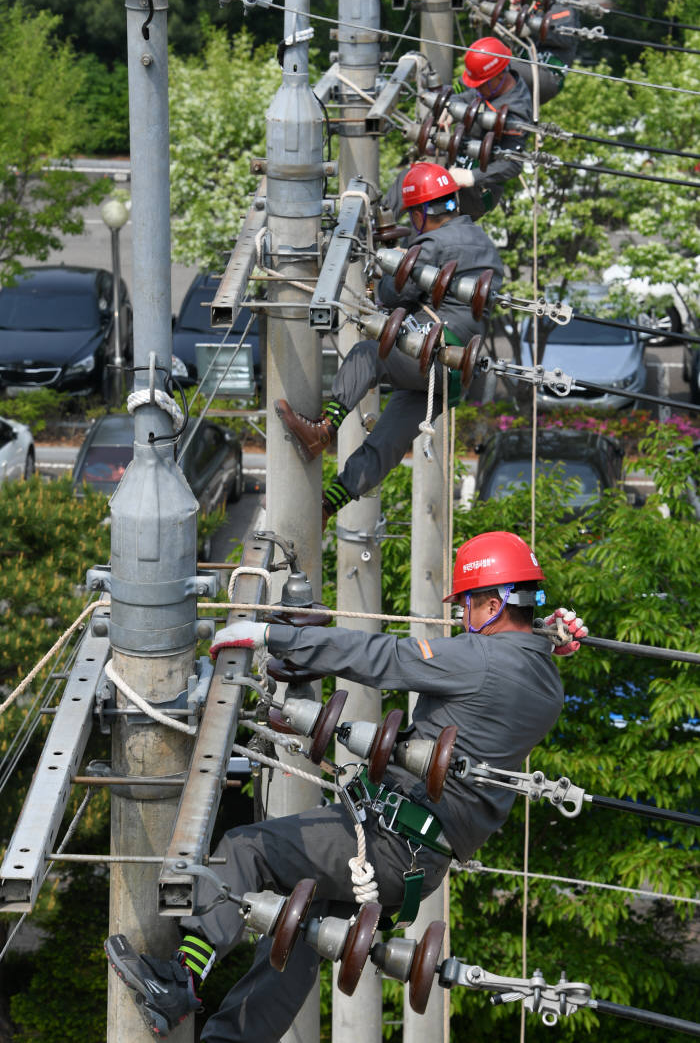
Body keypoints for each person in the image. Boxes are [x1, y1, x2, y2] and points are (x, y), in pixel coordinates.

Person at [104, 530, 587, 1040]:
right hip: (418, 859)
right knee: (299, 926)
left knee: (246, 851)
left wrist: (271, 637)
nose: (461, 620)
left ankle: (179, 980)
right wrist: (547, 636)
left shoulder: (482, 658)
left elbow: (382, 657)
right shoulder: (546, 682)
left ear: (493, 604)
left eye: (468, 605)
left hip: (389, 841)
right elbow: (507, 674)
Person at [274, 162, 504, 528]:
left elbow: (394, 293)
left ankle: (325, 430)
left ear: (418, 213)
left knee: (370, 353)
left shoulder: (432, 244)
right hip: (455, 375)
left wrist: (386, 267)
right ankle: (328, 505)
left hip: (433, 350)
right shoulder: (482, 241)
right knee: (390, 438)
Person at [445, 35, 534, 220]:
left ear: (501, 75)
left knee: (434, 216)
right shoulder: (489, 85)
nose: (479, 89)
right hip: (456, 163)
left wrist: (472, 177)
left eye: (482, 84)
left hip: (478, 191)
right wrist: (450, 108)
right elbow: (465, 95)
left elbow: (512, 163)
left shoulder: (515, 113)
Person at [508, 0, 580, 105]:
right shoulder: (537, 1)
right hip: (530, 67)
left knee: (495, 65)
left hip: (547, 73)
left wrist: (529, 25)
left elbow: (564, 35)